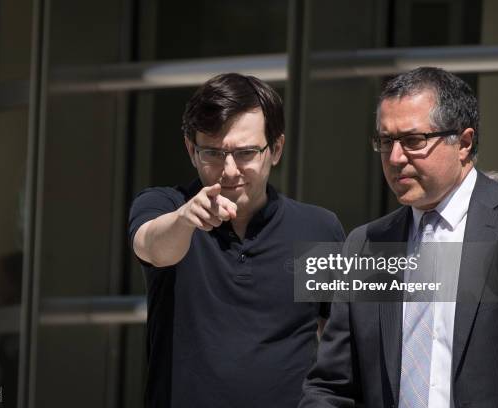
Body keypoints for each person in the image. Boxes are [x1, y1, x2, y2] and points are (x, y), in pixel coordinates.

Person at [300, 67, 498, 407]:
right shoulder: (368, 245)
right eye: (386, 141)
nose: (396, 158)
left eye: (413, 141)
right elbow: (332, 386)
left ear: (463, 142)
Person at [128, 73, 345, 408]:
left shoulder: (316, 228)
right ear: (191, 149)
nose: (228, 170)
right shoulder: (164, 205)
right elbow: (152, 247)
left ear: (275, 149)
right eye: (212, 153)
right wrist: (186, 219)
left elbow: (344, 339)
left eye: (245, 153)